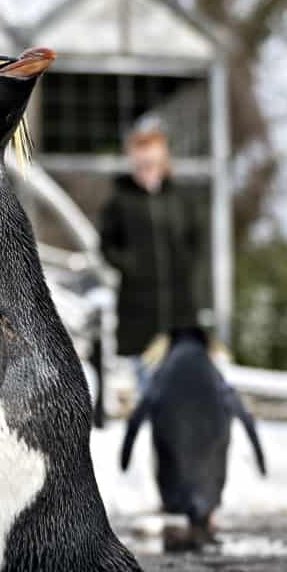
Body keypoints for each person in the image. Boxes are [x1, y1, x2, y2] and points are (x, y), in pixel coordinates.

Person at [98, 115, 206, 387]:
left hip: (179, 309)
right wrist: (130, 265)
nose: (147, 167)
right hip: (138, 310)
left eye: (153, 161)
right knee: (149, 391)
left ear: (163, 160)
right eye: (142, 161)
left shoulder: (181, 199)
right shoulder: (120, 201)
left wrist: (184, 265)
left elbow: (197, 239)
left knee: (180, 388)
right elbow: (106, 245)